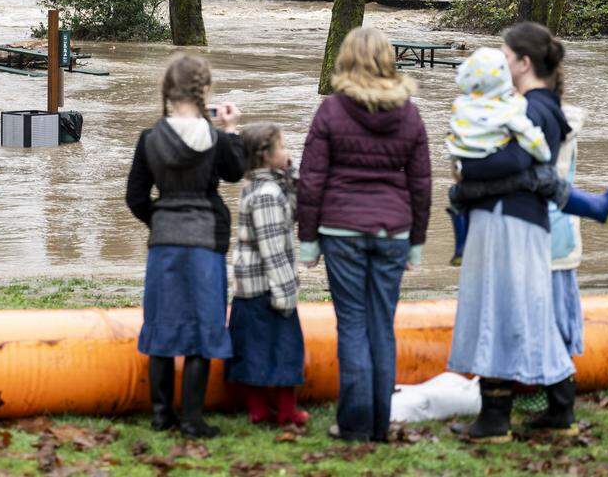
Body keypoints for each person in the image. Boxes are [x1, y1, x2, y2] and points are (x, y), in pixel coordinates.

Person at [296, 26, 431, 442]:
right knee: (381, 326)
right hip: (392, 231)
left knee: (352, 325)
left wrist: (308, 240)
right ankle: (378, 423)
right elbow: (421, 182)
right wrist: (417, 241)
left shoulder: (332, 111)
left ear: (346, 60)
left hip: (341, 230)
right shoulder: (408, 112)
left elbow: (312, 179)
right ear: (389, 60)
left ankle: (354, 424)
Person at [447, 21, 579, 443]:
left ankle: (496, 418)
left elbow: (513, 163)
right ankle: (553, 410)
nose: (500, 66)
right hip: (516, 218)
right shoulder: (535, 105)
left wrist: (466, 174)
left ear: (523, 63)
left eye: (504, 58)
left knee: (496, 310)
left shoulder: (533, 109)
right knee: (518, 310)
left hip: (508, 220)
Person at [125, 54, 244, 439]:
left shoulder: (150, 139)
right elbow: (236, 171)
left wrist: (159, 219)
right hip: (206, 241)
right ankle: (192, 418)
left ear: (167, 91)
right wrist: (230, 129)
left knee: (161, 325)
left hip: (165, 243)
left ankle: (161, 415)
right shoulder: (214, 137)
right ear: (204, 90)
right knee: (203, 327)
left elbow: (135, 197)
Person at [444, 47, 608, 264]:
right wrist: (543, 153)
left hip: (468, 182)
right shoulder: (509, 109)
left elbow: (453, 140)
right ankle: (597, 208)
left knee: (457, 198)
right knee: (547, 180)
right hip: (512, 197)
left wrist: (460, 165)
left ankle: (461, 246)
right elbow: (529, 136)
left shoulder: (462, 106)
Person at [225, 122, 308, 427]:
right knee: (283, 349)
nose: (287, 152)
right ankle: (283, 411)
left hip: (253, 287)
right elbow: (273, 247)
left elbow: (296, 209)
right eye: (283, 147)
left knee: (255, 349)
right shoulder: (268, 194)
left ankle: (260, 408)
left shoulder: (263, 186)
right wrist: (286, 291)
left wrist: (292, 171)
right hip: (268, 288)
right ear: (264, 154)